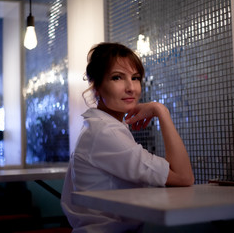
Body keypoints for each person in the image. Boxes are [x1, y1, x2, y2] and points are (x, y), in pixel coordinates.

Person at [61, 42, 194, 233]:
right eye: (117, 77)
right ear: (96, 87)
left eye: (135, 78)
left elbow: (177, 174)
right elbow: (184, 177)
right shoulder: (105, 132)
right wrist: (161, 110)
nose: (131, 88)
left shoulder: (103, 126)